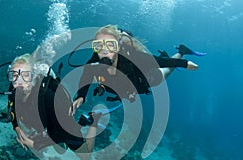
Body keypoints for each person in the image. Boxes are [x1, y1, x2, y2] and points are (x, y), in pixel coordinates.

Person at [69, 24, 205, 152]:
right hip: (121, 87)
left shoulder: (133, 57)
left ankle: (181, 51)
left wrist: (184, 63)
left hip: (148, 79)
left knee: (167, 70)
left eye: (110, 45)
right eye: (98, 45)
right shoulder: (94, 61)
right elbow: (86, 76)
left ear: (117, 47)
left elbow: (160, 62)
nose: (104, 50)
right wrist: (81, 96)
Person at [6, 53, 91, 160]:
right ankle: (56, 141)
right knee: (60, 150)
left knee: (85, 157)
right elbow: (11, 109)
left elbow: (63, 132)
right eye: (14, 75)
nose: (18, 81)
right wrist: (17, 128)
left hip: (63, 127)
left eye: (26, 75)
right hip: (44, 125)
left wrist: (37, 144)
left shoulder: (49, 97)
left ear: (33, 77)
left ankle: (93, 122)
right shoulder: (13, 88)